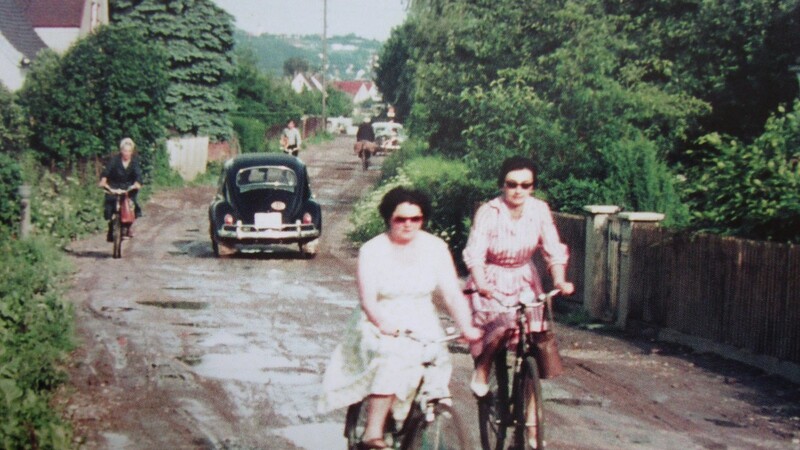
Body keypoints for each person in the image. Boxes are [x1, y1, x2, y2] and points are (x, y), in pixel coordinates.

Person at [319, 187, 482, 449]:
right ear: (389, 219)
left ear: (423, 219)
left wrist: (467, 326)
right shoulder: (373, 250)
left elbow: (452, 293)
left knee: (435, 363)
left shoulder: (435, 247)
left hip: (421, 318)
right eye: (401, 219)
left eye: (415, 219)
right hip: (380, 320)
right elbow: (368, 299)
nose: (408, 225)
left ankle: (421, 420)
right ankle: (372, 433)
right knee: (391, 358)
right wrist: (383, 324)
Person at [463, 156, 575, 446]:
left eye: (526, 185)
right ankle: (483, 368)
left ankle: (532, 430)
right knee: (501, 325)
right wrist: (482, 282)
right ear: (502, 184)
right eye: (512, 184)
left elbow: (552, 248)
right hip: (492, 278)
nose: (518, 190)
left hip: (524, 277)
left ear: (532, 187)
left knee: (534, 344)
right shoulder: (490, 211)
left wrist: (560, 280)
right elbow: (475, 252)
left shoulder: (539, 210)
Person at [99, 137, 143, 241]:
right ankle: (111, 225)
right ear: (121, 151)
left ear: (132, 152)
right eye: (125, 151)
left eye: (129, 151)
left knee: (132, 206)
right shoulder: (114, 160)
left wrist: (137, 183)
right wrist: (103, 181)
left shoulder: (134, 162)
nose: (126, 153)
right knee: (109, 206)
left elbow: (138, 176)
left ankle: (127, 227)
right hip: (114, 186)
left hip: (128, 188)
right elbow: (106, 172)